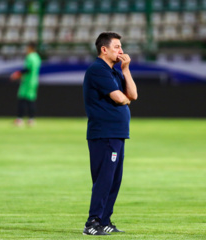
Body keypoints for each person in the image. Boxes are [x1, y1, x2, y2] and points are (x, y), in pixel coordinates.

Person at [82, 32, 138, 235]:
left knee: (114, 179)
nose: (121, 51)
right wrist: (124, 98)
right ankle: (92, 223)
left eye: (121, 47)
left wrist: (126, 69)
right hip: (104, 134)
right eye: (117, 47)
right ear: (103, 49)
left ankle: (104, 220)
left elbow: (133, 95)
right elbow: (121, 99)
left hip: (116, 133)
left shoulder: (115, 71)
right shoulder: (98, 70)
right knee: (104, 179)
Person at [10, 42, 42, 127]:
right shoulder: (37, 57)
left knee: (22, 99)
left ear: (31, 48)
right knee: (31, 100)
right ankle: (31, 120)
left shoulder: (30, 57)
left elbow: (28, 69)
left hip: (28, 81)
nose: (26, 50)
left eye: (27, 48)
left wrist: (17, 74)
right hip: (34, 81)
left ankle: (19, 119)